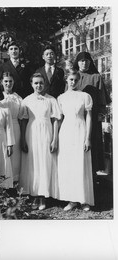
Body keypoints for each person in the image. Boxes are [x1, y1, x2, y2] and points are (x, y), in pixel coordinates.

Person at [20, 73, 61, 210]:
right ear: (31, 84)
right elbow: (23, 121)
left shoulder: (51, 100)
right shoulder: (26, 100)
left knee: (44, 161)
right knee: (33, 162)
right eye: (36, 83)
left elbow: (55, 120)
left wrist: (55, 139)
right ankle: (34, 195)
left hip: (46, 132)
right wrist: (23, 140)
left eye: (41, 83)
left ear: (45, 84)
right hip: (31, 133)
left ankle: (43, 196)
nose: (39, 85)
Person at [56, 70, 94, 211]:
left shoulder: (85, 96)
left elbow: (89, 117)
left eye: (76, 80)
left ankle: (84, 200)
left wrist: (87, 138)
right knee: (69, 165)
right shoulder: (61, 98)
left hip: (80, 130)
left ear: (79, 81)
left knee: (81, 164)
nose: (73, 82)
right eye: (71, 79)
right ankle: (72, 200)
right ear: (66, 80)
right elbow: (59, 120)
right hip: (66, 132)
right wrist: (56, 138)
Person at [73, 51, 111, 179]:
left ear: (90, 63)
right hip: (75, 117)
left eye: (86, 61)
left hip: (92, 116)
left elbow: (101, 98)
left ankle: (92, 175)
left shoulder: (96, 77)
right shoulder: (73, 76)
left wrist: (100, 113)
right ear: (77, 62)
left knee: (92, 144)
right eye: (81, 61)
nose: (84, 63)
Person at [0, 72, 23, 185]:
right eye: (6, 81)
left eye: (10, 81)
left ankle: (14, 183)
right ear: (1, 82)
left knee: (14, 156)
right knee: (3, 155)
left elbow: (21, 116)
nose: (8, 84)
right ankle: (3, 183)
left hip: (15, 128)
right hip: (1, 129)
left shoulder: (18, 98)